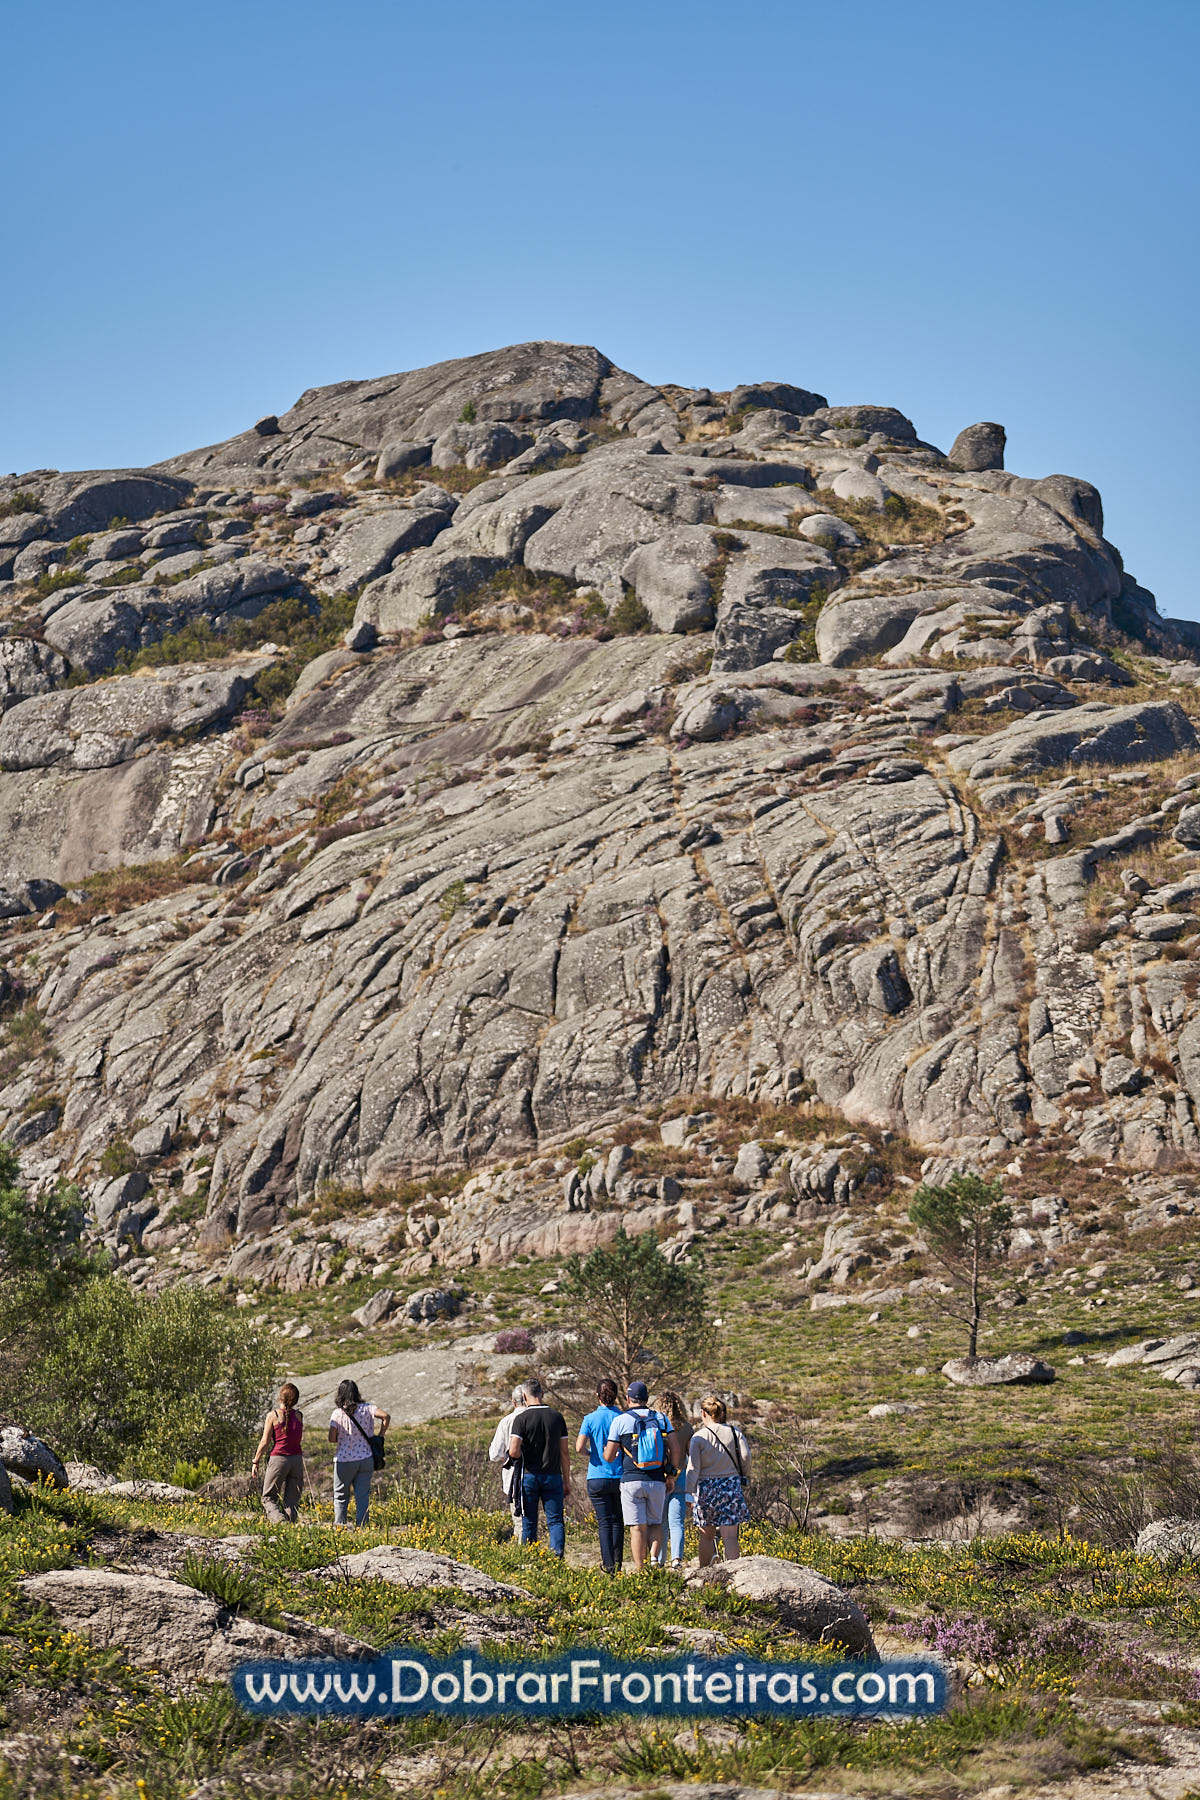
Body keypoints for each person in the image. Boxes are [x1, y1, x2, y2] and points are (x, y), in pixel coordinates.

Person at [603, 1380, 679, 1571]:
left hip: (631, 1480)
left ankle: (640, 1569)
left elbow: (609, 1456)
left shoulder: (620, 1421)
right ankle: (654, 1558)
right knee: (655, 1523)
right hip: (657, 1480)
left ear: (628, 1399)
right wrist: (670, 1475)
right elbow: (676, 1449)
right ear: (646, 1398)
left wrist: (612, 1449)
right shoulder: (661, 1418)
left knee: (637, 1527)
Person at [686, 1393, 751, 1566]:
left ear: (703, 1413)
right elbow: (745, 1456)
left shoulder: (698, 1437)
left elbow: (693, 1468)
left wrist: (688, 1492)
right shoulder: (734, 1432)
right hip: (730, 1485)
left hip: (706, 1488)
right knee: (730, 1536)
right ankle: (735, 1572)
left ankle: (704, 1571)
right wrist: (742, 1474)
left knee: (706, 1536)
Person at [508, 1378, 570, 1557]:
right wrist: (566, 1480)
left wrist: (523, 1456)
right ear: (541, 1394)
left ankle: (530, 1558)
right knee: (556, 1521)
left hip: (529, 1475)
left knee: (529, 1521)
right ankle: (556, 1558)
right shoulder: (557, 1417)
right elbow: (564, 1454)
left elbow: (513, 1451)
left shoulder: (521, 1419)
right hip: (553, 1475)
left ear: (524, 1396)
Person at [327, 1378, 390, 1527]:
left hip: (344, 1460)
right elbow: (386, 1416)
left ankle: (340, 1526)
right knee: (362, 1496)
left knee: (341, 1496)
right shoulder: (368, 1408)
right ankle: (363, 1526)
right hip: (365, 1457)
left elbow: (331, 1439)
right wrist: (380, 1435)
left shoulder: (337, 1413)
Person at [576, 1379, 624, 1574]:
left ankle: (608, 1564)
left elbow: (579, 1447)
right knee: (618, 1520)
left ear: (597, 1396)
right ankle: (619, 1562)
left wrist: (591, 1454)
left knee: (604, 1521)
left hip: (596, 1474)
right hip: (619, 1475)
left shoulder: (589, 1419)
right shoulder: (622, 1417)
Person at [252, 1382, 305, 1524]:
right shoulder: (299, 1415)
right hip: (297, 1460)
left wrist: (256, 1460)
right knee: (292, 1501)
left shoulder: (273, 1415)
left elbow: (265, 1441)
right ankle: (289, 1527)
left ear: (280, 1398)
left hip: (279, 1459)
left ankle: (280, 1523)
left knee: (268, 1498)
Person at [653, 1391, 693, 1569]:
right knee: (677, 1521)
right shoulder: (687, 1428)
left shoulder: (656, 1426)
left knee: (661, 1522)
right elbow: (691, 1455)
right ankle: (677, 1558)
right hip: (680, 1475)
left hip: (660, 1477)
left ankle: (660, 1559)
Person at [489, 1385, 528, 1526]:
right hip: (539, 1476)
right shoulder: (538, 1418)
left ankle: (524, 1547)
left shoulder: (506, 1421)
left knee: (519, 1523)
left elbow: (495, 1454)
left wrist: (506, 1457)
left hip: (513, 1479)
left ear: (513, 1401)